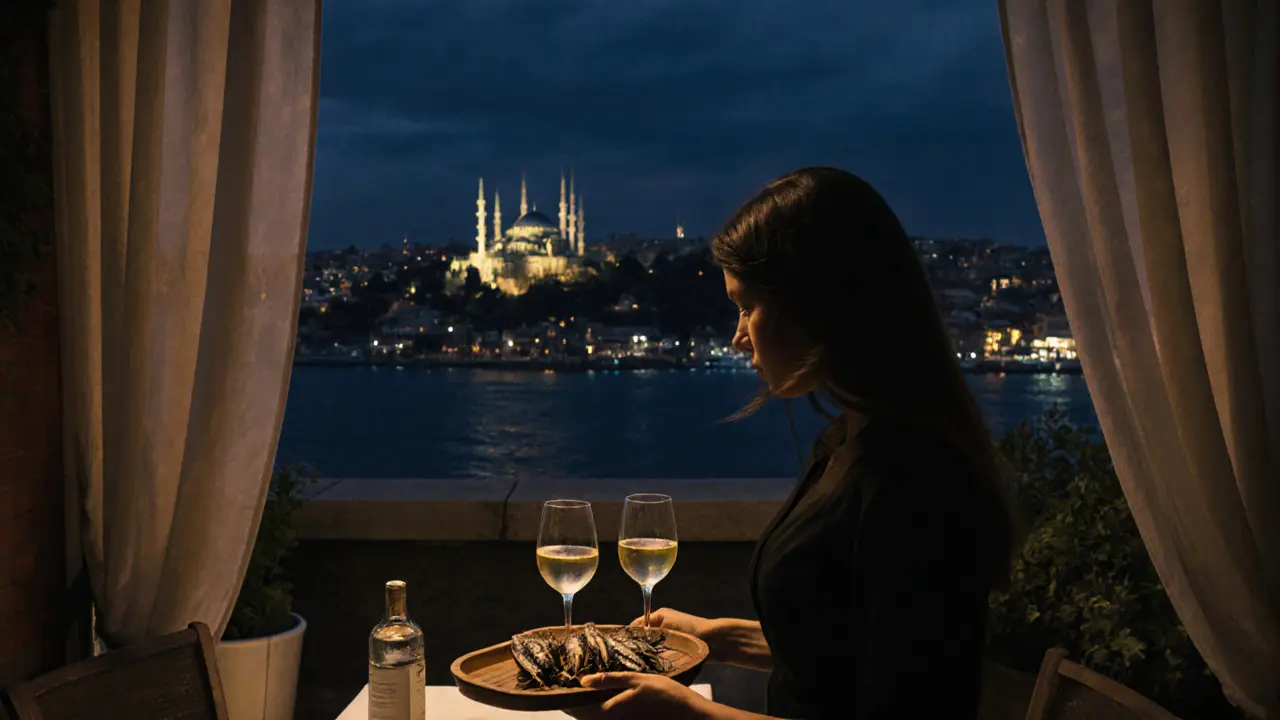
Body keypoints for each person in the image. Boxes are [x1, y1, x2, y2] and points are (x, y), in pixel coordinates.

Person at [569, 167, 1015, 719]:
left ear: (815, 304)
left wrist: (692, 714)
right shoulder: (849, 442)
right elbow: (841, 650)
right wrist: (718, 637)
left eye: (745, 307)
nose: (737, 336)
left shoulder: (915, 483)